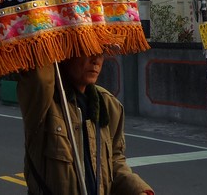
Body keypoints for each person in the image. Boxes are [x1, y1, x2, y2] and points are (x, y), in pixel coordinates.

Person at [17, 54, 154, 195]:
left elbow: (114, 160)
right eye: (87, 51)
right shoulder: (44, 102)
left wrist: (138, 190)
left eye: (101, 53)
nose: (96, 61)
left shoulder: (108, 105)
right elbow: (40, 78)